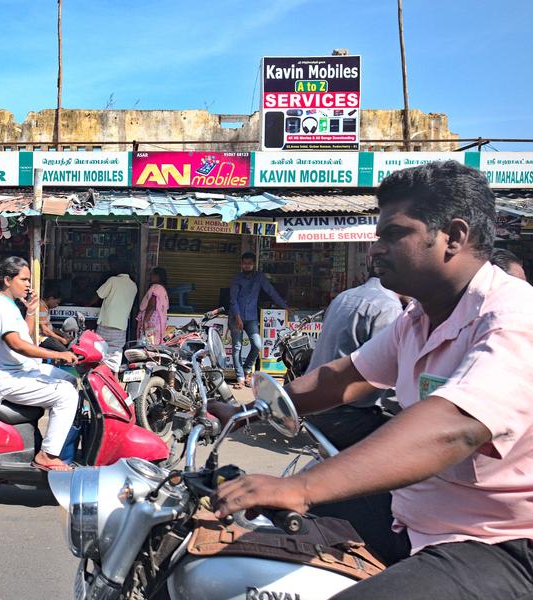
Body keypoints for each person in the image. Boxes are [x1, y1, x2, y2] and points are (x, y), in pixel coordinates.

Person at [213, 161, 533, 599]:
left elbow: (454, 427)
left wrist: (302, 487)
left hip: (497, 540)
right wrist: (246, 412)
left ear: (453, 237)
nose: (375, 248)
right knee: (249, 546)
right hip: (412, 509)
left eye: (394, 234)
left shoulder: (514, 319)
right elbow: (343, 376)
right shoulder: (419, 318)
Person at [0, 257, 79, 472]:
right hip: (7, 377)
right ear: (7, 280)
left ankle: (63, 441)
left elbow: (25, 336)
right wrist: (59, 355)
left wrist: (31, 311)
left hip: (22, 369)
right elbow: (17, 344)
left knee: (70, 379)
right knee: (67, 394)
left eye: (28, 280)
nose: (28, 285)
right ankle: (47, 454)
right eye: (23, 279)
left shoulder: (10, 305)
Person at [304, 266, 403, 450]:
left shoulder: (344, 296)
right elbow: (388, 380)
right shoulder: (389, 308)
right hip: (346, 415)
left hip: (316, 409)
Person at [229, 252, 288, 388]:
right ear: (241, 264)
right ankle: (240, 378)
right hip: (235, 317)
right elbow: (233, 300)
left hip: (251, 318)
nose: (247, 266)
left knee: (257, 345)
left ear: (253, 264)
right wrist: (238, 317)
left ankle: (246, 370)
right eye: (245, 263)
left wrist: (285, 306)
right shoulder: (236, 278)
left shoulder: (259, 277)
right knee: (237, 347)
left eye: (250, 263)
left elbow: (271, 291)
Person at [95, 260, 137, 373]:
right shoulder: (133, 286)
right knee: (115, 355)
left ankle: (99, 377)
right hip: (121, 326)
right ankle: (114, 380)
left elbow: (99, 295)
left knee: (100, 351)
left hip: (107, 324)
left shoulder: (113, 280)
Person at [135, 267, 169, 344]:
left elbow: (152, 306)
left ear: (157, 276)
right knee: (155, 346)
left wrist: (145, 322)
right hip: (158, 324)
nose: (150, 277)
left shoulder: (156, 287)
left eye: (152, 274)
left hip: (151, 323)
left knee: (147, 345)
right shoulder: (163, 289)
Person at [38, 281, 72, 352]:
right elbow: (45, 330)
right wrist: (61, 339)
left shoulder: (45, 307)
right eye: (56, 302)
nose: (56, 305)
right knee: (65, 352)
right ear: (51, 298)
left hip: (47, 336)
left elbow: (50, 328)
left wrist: (63, 335)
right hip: (42, 338)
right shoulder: (41, 308)